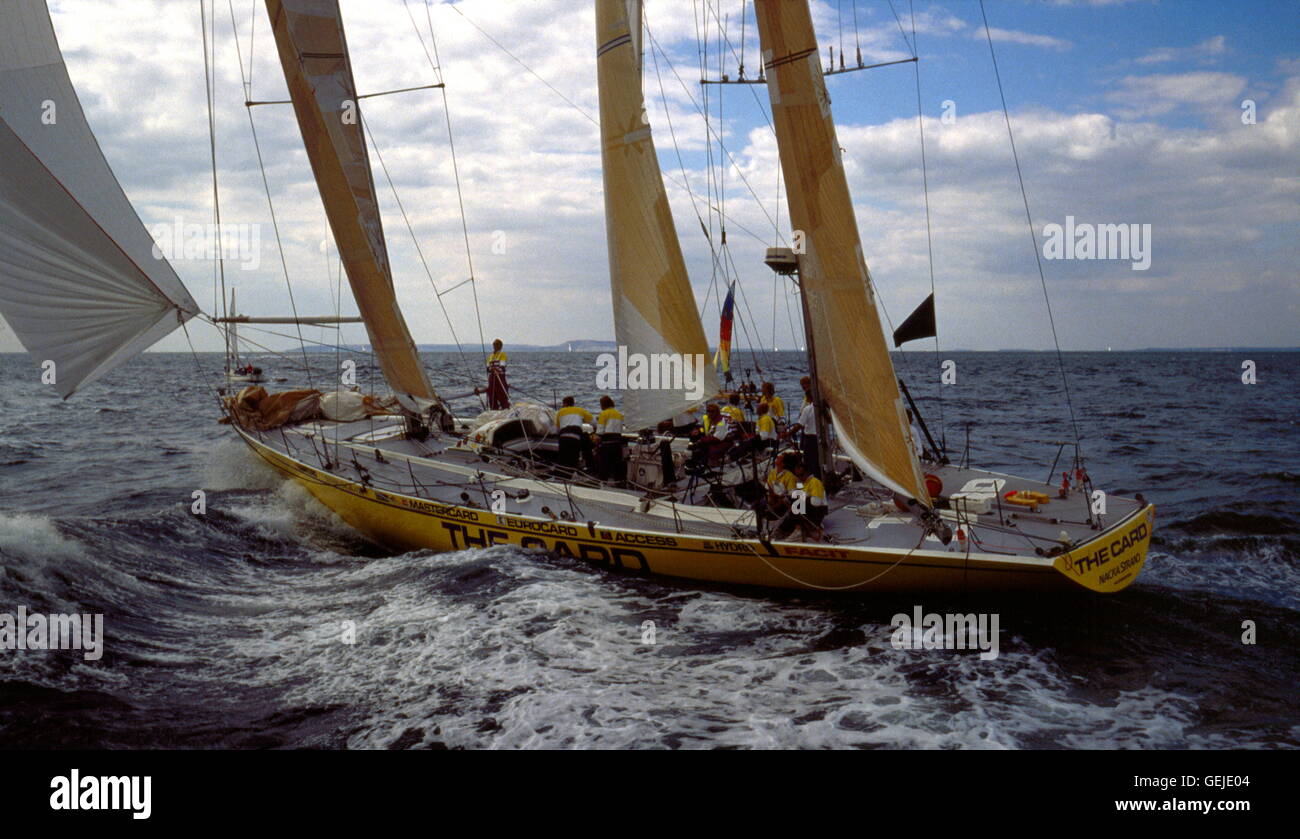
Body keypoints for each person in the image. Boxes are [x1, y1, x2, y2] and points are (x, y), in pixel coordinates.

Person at [774, 457, 828, 541]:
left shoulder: (814, 482)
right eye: (798, 476)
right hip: (809, 510)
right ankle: (783, 530)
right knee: (791, 502)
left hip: (817, 512)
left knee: (798, 503)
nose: (800, 478)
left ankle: (799, 530)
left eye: (801, 475)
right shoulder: (804, 483)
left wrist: (801, 497)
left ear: (807, 472)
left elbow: (816, 502)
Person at [789, 376, 821, 478]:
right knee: (815, 460)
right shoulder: (818, 407)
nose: (803, 387)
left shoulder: (809, 408)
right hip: (816, 436)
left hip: (810, 437)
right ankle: (817, 477)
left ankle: (810, 478)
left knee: (809, 460)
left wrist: (788, 433)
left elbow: (800, 424)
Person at [556, 395, 594, 472]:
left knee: (563, 460)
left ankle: (563, 475)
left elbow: (557, 429)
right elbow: (594, 422)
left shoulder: (559, 412)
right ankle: (589, 466)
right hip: (575, 438)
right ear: (573, 403)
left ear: (565, 404)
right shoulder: (580, 410)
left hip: (563, 439)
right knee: (586, 441)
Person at [594, 395, 626, 483]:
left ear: (603, 405)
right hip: (617, 443)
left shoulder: (603, 414)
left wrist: (595, 445)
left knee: (603, 467)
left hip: (607, 444)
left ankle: (601, 483)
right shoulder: (619, 415)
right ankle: (619, 484)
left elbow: (599, 434)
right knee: (617, 467)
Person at [486, 338, 509, 410]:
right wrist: (491, 369)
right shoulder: (490, 357)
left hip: (500, 378)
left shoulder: (502, 355)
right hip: (492, 379)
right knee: (492, 398)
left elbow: (502, 367)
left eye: (497, 345)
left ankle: (505, 410)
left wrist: (495, 369)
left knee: (502, 397)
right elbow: (487, 368)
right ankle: (494, 411)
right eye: (494, 345)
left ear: (500, 346)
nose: (495, 346)